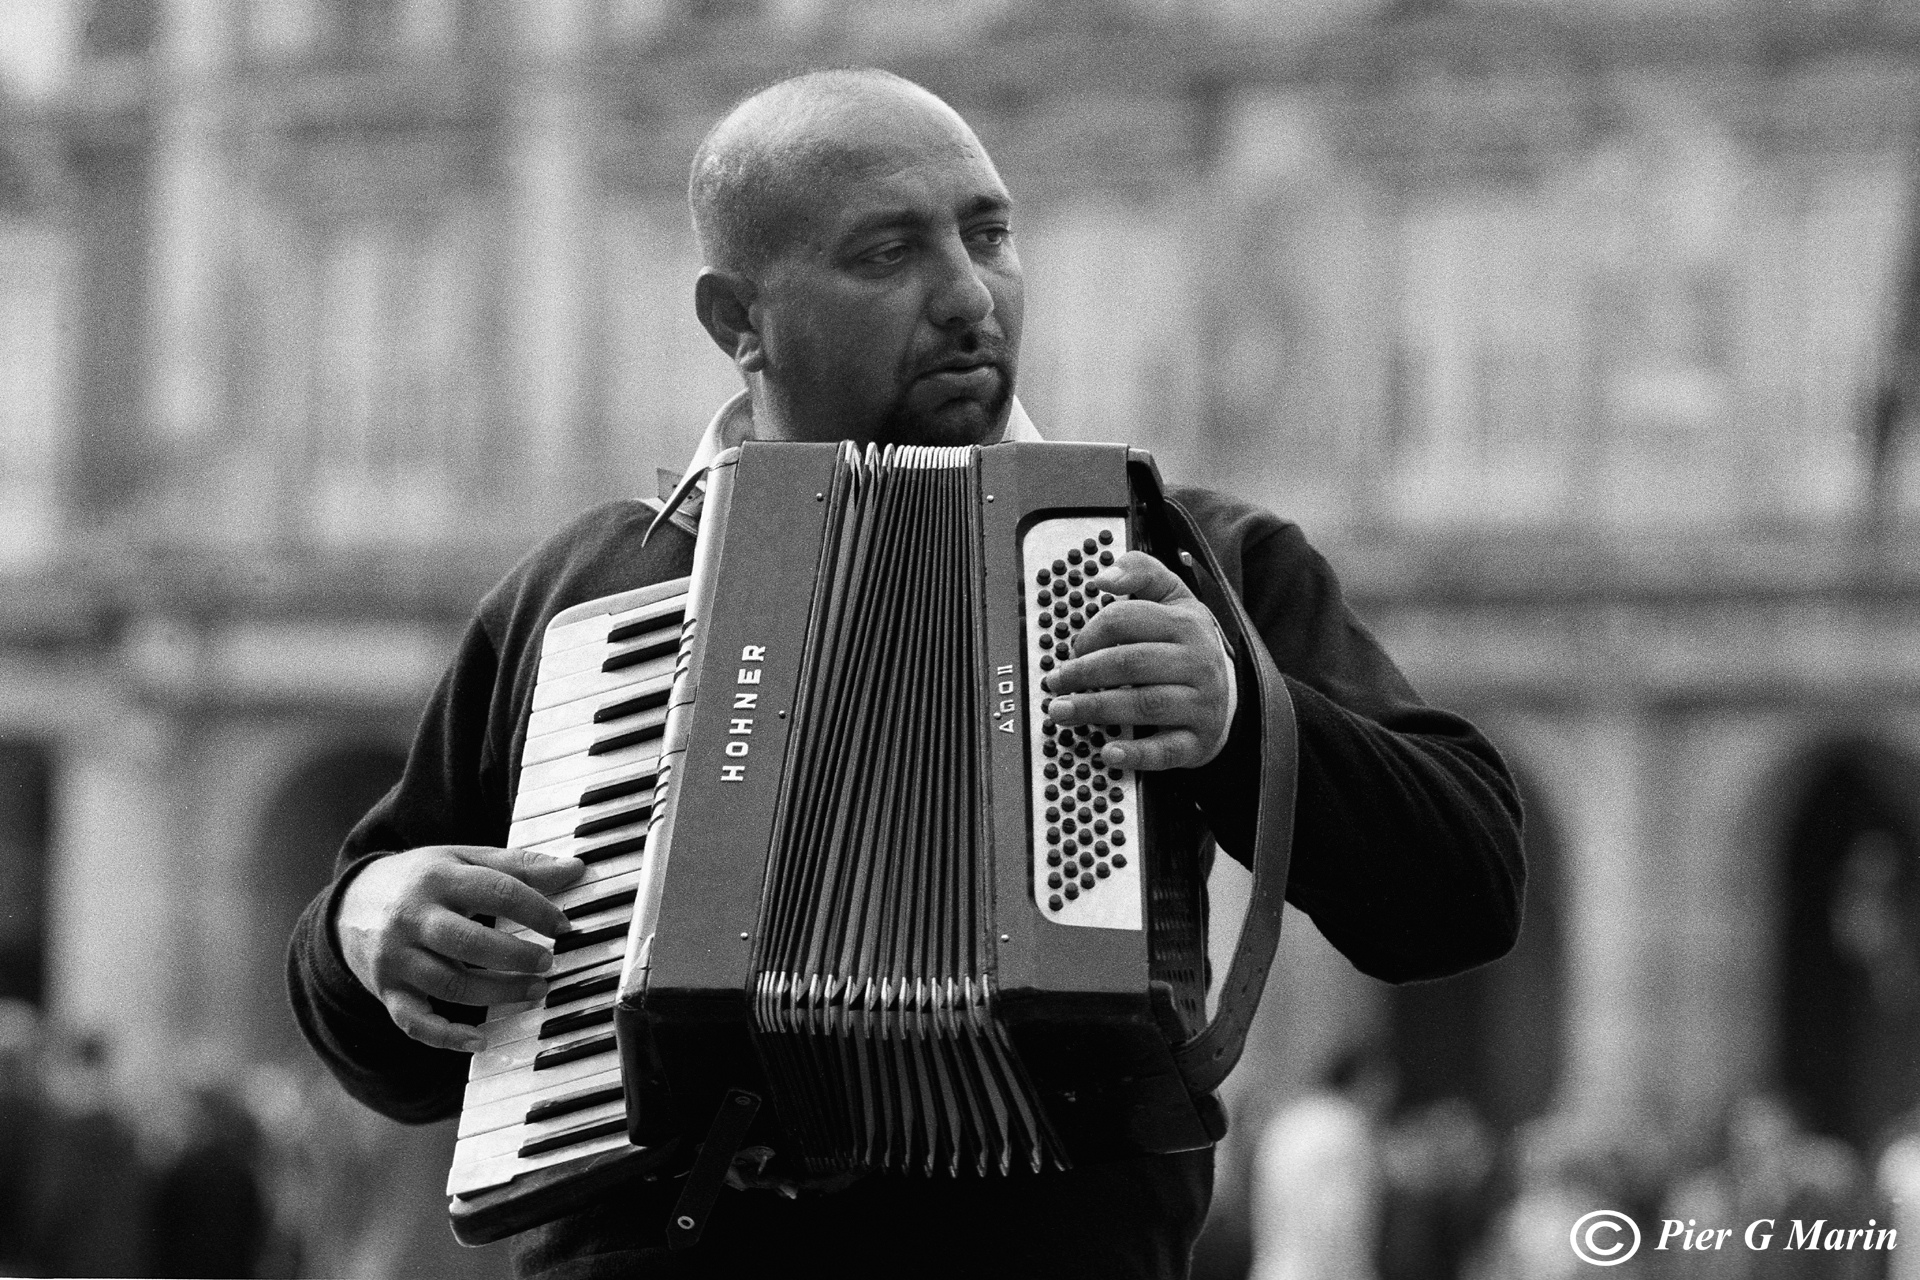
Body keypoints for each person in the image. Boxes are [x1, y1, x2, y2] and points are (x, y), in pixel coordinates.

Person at [287, 68, 1525, 1280]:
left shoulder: (1194, 560)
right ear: (738, 321)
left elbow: (1466, 889)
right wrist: (367, 922)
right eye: (888, 254)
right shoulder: (592, 589)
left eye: (989, 233)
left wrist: (1249, 713)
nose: (968, 295)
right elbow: (390, 1049)